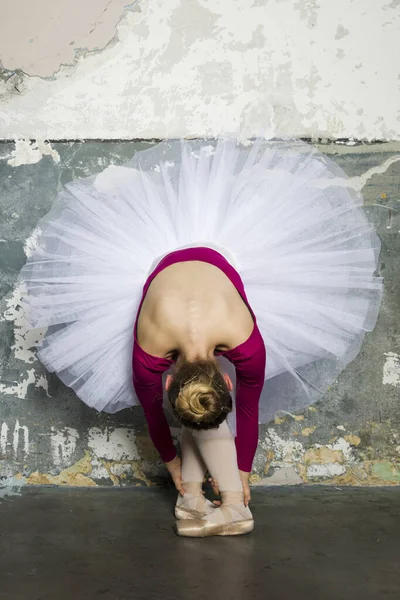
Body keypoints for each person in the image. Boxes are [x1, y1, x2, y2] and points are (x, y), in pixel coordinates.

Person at [20, 138, 383, 537]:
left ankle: (216, 505)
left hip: (221, 256)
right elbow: (242, 412)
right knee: (204, 413)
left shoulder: (199, 344)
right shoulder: (209, 344)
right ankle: (207, 501)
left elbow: (168, 416)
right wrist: (207, 473)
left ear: (169, 382)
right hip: (169, 259)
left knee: (202, 412)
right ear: (225, 380)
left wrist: (222, 476)